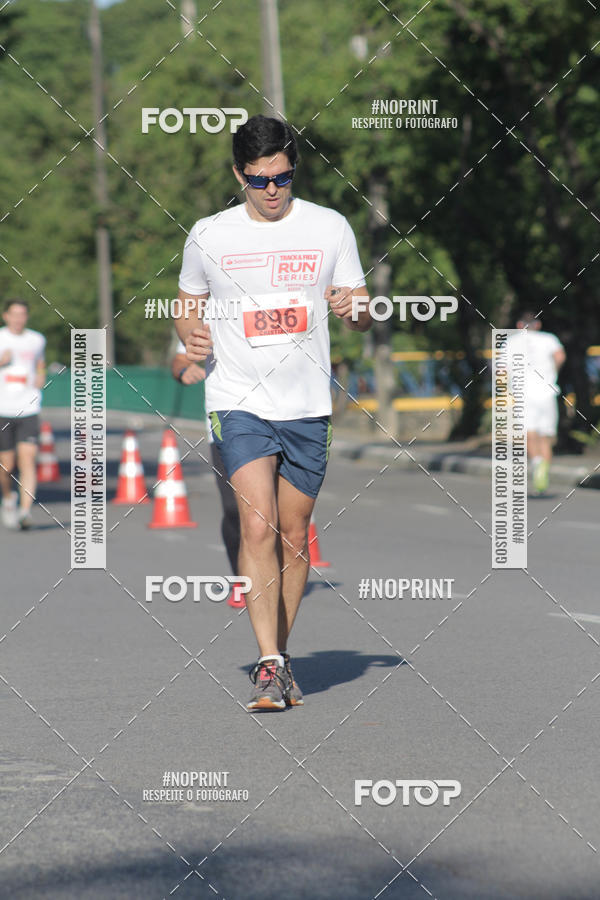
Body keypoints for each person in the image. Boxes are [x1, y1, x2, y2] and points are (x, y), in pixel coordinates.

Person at [175, 114, 371, 711]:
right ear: (239, 174)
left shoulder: (329, 226)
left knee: (293, 536)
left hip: (308, 402)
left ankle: (279, 655)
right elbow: (186, 306)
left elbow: (362, 309)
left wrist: (352, 307)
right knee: (256, 525)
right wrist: (190, 334)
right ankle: (268, 664)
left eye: (283, 178)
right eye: (260, 180)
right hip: (237, 399)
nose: (272, 191)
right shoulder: (210, 234)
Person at [171, 340, 243, 606]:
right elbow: (179, 360)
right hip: (224, 424)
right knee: (234, 508)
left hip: (278, 420)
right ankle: (242, 579)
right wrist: (182, 370)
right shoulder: (206, 310)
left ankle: (272, 576)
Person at [0, 298, 46, 529]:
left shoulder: (36, 340)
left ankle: (25, 512)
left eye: (22, 314)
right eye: (14, 314)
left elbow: (40, 362)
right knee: (6, 466)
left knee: (28, 459)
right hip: (3, 408)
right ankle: (8, 499)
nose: (18, 319)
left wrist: (41, 374)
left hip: (29, 407)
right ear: (5, 316)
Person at [512, 311, 566, 494]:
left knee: (529, 433)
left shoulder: (511, 342)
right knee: (546, 436)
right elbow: (559, 356)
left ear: (520, 325)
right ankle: (544, 470)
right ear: (538, 324)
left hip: (523, 394)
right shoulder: (549, 339)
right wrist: (553, 373)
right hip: (546, 392)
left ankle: (536, 464)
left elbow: (500, 370)